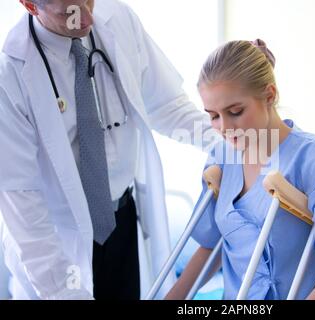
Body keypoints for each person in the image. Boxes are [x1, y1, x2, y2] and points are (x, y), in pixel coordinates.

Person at [0, 0, 213, 300]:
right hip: (59, 241)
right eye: (69, 10)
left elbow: (167, 106)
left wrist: (242, 142)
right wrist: (64, 292)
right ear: (30, 5)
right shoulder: (10, 75)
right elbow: (23, 201)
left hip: (121, 224)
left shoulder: (117, 17)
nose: (87, 17)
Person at [165, 39, 315, 300]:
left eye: (235, 111)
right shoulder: (221, 158)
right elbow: (212, 246)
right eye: (214, 115)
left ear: (270, 95)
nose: (224, 127)